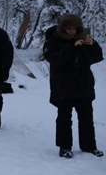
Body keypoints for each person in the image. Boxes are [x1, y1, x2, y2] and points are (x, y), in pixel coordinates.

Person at [42, 14, 103, 158]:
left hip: (83, 86)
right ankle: (65, 147)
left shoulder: (82, 40)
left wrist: (92, 44)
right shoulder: (52, 42)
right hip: (63, 86)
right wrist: (71, 47)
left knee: (87, 118)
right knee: (64, 118)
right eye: (69, 28)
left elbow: (97, 57)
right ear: (63, 29)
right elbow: (55, 59)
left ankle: (89, 145)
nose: (72, 32)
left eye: (75, 28)